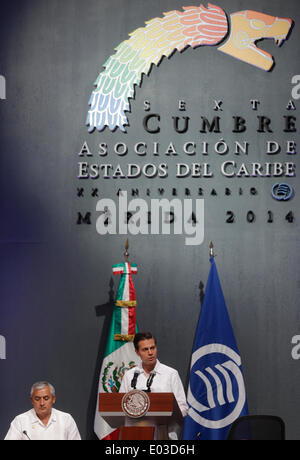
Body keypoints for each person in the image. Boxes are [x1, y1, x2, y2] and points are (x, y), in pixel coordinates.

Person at [119, 332, 188, 439]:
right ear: (137, 352)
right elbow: (119, 408)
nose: (150, 352)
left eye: (152, 348)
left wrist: (166, 416)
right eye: (145, 349)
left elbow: (183, 407)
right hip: (135, 435)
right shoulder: (129, 375)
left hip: (164, 436)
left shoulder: (171, 374)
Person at [4, 381, 81, 440]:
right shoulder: (20, 421)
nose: (42, 403)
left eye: (46, 398)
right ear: (31, 400)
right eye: (37, 399)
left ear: (53, 399)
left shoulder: (66, 419)